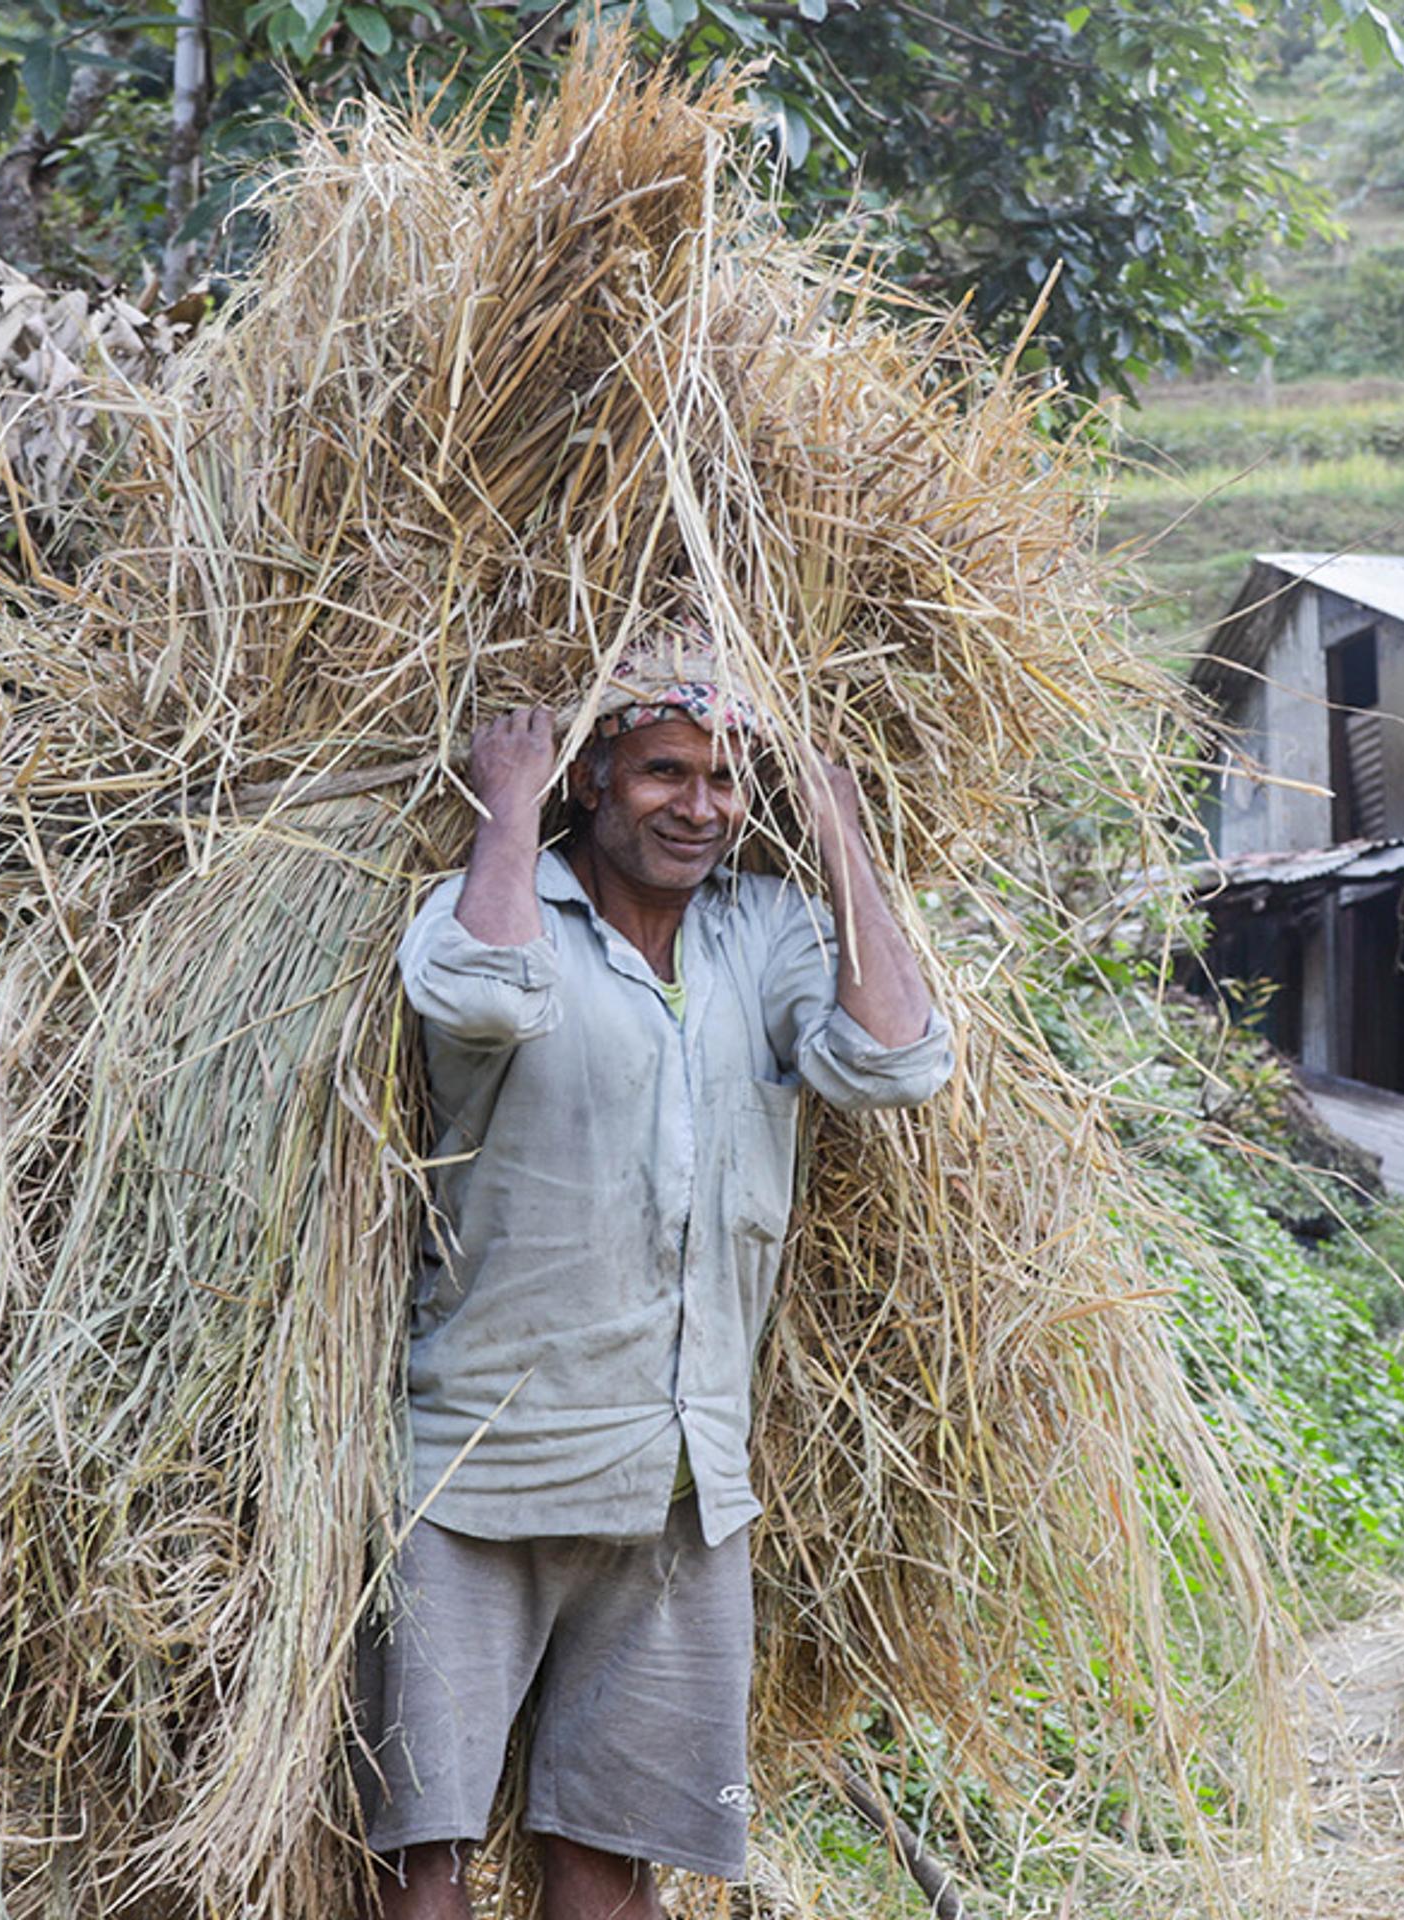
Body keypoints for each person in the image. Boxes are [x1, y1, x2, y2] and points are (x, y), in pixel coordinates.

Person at [363, 668, 953, 1920]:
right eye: (663, 771)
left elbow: (897, 1061)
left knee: (614, 1854)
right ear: (594, 781)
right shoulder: (495, 908)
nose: (700, 807)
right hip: (482, 1460)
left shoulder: (769, 929)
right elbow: (475, 994)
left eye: (726, 778)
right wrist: (509, 801)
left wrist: (839, 826)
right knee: (426, 1850)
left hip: (682, 1470)